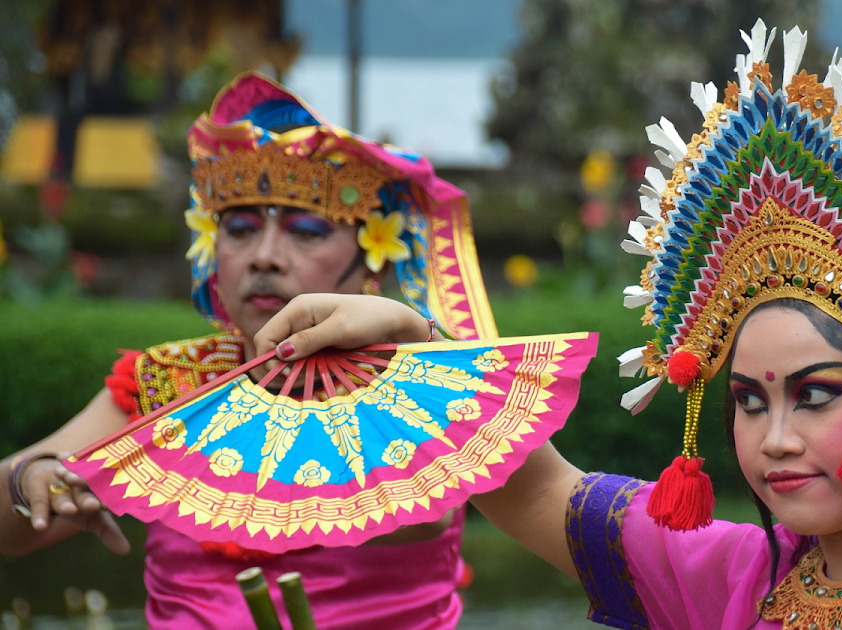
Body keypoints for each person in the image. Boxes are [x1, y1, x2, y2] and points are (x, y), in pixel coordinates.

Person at [254, 22, 842, 629]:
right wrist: (414, 337)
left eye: (816, 394)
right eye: (748, 402)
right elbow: (530, 490)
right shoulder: (734, 576)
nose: (775, 440)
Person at [0, 72, 497, 629]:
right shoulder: (169, 383)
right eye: (238, 229)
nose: (264, 256)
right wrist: (31, 479)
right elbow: (10, 524)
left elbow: (425, 514)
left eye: (306, 231)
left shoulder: (417, 376)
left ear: (373, 262)